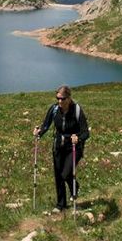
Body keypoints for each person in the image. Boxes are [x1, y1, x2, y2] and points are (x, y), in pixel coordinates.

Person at [33, 85, 89, 213]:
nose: (59, 101)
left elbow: (86, 132)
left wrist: (78, 138)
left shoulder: (77, 110)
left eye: (62, 99)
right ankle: (60, 205)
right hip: (58, 145)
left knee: (66, 173)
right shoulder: (54, 109)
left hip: (74, 147)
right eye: (57, 98)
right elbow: (46, 125)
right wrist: (39, 132)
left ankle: (75, 187)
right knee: (58, 175)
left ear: (69, 98)